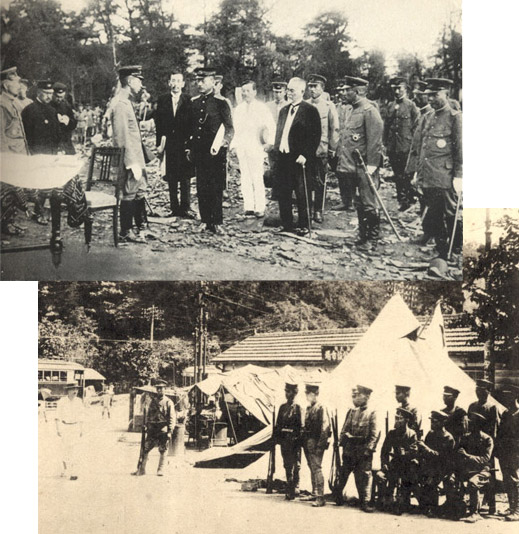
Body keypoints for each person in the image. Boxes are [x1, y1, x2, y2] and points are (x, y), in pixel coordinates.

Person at [406, 78, 462, 260]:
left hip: (445, 176)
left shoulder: (455, 118)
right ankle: (441, 249)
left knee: (450, 214)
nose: (430, 99)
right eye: (428, 95)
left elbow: (460, 149)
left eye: (435, 95)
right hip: (429, 175)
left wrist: (459, 176)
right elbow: (422, 147)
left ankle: (454, 249)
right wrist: (417, 172)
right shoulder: (427, 117)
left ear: (446, 94)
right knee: (434, 214)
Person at [336, 76, 383, 250]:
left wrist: (372, 165)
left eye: (347, 90)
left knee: (369, 203)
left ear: (357, 92)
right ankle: (362, 236)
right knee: (359, 202)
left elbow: (375, 140)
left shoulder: (369, 111)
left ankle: (372, 239)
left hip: (365, 167)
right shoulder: (352, 110)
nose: (344, 92)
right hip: (352, 166)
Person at [186, 67, 234, 234]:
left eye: (203, 81)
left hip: (215, 153)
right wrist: (189, 148)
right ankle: (205, 220)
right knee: (201, 187)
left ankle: (217, 221)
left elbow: (229, 128)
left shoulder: (221, 103)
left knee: (215, 187)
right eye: (198, 81)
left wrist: (225, 142)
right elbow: (190, 129)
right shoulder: (194, 103)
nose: (199, 84)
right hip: (200, 153)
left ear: (213, 82)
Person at [273, 77, 321, 236]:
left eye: (292, 90)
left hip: (299, 159)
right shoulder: (283, 111)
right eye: (288, 90)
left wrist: (306, 154)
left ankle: (304, 225)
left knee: (302, 192)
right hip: (284, 157)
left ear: (302, 91)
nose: (289, 93)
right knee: (283, 191)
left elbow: (315, 136)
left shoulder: (310, 110)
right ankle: (286, 223)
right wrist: (277, 150)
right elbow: (280, 133)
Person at [110, 65, 149, 243]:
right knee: (129, 194)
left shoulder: (127, 101)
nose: (141, 84)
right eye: (138, 80)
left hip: (136, 156)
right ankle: (126, 231)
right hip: (130, 158)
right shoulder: (120, 104)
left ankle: (142, 228)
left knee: (139, 191)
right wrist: (131, 162)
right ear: (130, 81)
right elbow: (121, 136)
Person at [231, 80, 275, 218]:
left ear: (255, 92)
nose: (245, 94)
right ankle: (248, 206)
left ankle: (259, 207)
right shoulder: (239, 109)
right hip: (242, 147)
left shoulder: (262, 108)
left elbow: (271, 126)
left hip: (256, 146)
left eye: (248, 91)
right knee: (245, 177)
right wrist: (234, 145)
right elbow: (236, 130)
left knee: (257, 177)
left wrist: (269, 143)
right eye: (243, 91)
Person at [155, 70, 195, 218]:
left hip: (183, 144)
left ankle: (185, 208)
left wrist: (190, 145)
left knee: (185, 178)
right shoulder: (163, 100)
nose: (175, 84)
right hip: (169, 144)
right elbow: (158, 124)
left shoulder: (189, 100)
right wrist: (159, 145)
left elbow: (192, 124)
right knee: (171, 177)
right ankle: (174, 208)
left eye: (178, 81)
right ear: (169, 83)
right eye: (173, 81)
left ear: (183, 84)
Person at [337, 385, 380, 512]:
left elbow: (374, 435)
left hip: (363, 450)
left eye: (361, 395)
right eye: (358, 394)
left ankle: (365, 502)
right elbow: (345, 429)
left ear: (367, 396)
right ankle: (338, 496)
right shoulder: (352, 412)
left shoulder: (372, 413)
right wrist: (341, 443)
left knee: (364, 477)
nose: (358, 397)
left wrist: (369, 450)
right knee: (343, 474)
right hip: (350, 450)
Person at [0, 66, 32, 236]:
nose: (19, 85)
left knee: (14, 191)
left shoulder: (12, 103)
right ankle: (6, 225)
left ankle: (9, 222)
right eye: (16, 82)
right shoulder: (2, 104)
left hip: (17, 154)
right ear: (6, 85)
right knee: (7, 192)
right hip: (9, 156)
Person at [448, 412, 493, 522]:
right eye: (469, 423)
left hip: (483, 470)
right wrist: (454, 472)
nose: (468, 425)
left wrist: (467, 456)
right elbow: (458, 455)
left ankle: (475, 513)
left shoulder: (487, 439)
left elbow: (484, 459)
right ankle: (458, 507)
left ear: (479, 426)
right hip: (467, 470)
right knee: (451, 480)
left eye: (472, 423)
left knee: (473, 483)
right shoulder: (465, 438)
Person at [306, 74, 339, 223]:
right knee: (306, 180)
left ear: (322, 88)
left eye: (315, 86)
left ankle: (318, 210)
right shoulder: (305, 104)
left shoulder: (328, 106)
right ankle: (306, 207)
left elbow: (335, 129)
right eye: (310, 86)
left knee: (319, 181)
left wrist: (332, 148)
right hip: (305, 150)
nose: (312, 89)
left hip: (321, 149)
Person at [383, 77, 419, 211]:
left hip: (406, 146)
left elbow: (417, 127)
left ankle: (409, 198)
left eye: (400, 89)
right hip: (393, 147)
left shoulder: (411, 106)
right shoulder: (390, 105)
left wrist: (414, 147)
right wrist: (385, 143)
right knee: (397, 174)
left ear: (406, 90)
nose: (397, 91)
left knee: (407, 174)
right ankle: (401, 199)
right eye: (395, 89)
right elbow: (386, 126)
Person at [377, 407, 419, 514]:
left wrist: (405, 453)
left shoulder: (412, 434)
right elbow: (384, 451)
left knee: (407, 482)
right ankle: (386, 501)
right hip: (395, 463)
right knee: (386, 478)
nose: (397, 421)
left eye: (400, 418)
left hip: (407, 464)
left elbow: (414, 452)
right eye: (396, 418)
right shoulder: (392, 433)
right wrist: (384, 463)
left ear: (406, 420)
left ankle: (404, 502)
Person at [416, 410, 456, 517]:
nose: (432, 424)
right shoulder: (431, 434)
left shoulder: (448, 437)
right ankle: (425, 505)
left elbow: (441, 457)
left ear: (442, 423)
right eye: (431, 421)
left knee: (431, 482)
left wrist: (424, 447)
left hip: (443, 468)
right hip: (430, 466)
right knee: (413, 476)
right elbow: (426, 454)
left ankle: (433, 508)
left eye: (435, 422)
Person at [133, 379, 175, 476]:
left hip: (163, 429)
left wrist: (170, 431)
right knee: (146, 448)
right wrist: (146, 425)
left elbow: (172, 417)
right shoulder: (153, 402)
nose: (160, 391)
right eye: (158, 389)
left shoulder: (169, 402)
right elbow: (148, 415)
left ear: (165, 389)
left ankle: (160, 470)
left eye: (162, 389)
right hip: (152, 429)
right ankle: (142, 469)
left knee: (163, 450)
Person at [300, 383, 330, 507]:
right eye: (306, 393)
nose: (307, 396)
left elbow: (325, 429)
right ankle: (314, 493)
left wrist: (320, 446)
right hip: (308, 442)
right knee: (312, 467)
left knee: (317, 469)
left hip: (316, 442)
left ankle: (320, 497)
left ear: (316, 394)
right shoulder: (309, 408)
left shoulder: (321, 408)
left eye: (309, 394)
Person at [273, 381, 303, 500]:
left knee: (296, 465)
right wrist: (276, 439)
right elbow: (278, 425)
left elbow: (301, 427)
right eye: (286, 391)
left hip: (294, 442)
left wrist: (296, 438)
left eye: (290, 392)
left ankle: (295, 487)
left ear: (295, 393)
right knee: (287, 465)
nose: (287, 394)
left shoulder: (298, 408)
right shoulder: (282, 407)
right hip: (285, 441)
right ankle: (290, 487)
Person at [495, 384, 519, 521]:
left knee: (515, 480)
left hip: (515, 453)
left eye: (509, 395)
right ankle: (511, 507)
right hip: (504, 452)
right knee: (507, 480)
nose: (506, 397)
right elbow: (500, 433)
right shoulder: (506, 413)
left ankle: (517, 510)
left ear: (515, 396)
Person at [22, 79, 60, 155]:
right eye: (46, 93)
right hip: (37, 152)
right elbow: (27, 134)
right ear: (38, 93)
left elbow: (56, 132)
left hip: (52, 152)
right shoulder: (29, 110)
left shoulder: (52, 110)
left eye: (51, 93)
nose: (49, 96)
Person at [55, 383, 84, 480]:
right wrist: (58, 429)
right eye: (72, 389)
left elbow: (81, 416)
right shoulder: (62, 401)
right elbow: (57, 416)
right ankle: (65, 469)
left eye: (76, 389)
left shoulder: (79, 401)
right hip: (65, 427)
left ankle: (73, 472)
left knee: (75, 450)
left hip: (75, 427)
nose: (75, 391)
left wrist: (81, 428)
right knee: (65, 449)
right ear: (68, 390)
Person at [333, 80, 354, 211]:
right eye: (340, 91)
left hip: (352, 146)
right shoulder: (337, 107)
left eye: (345, 91)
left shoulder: (355, 107)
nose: (342, 94)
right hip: (339, 146)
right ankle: (345, 201)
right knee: (340, 174)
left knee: (352, 173)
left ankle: (353, 201)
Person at [265, 80, 288, 201]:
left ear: (285, 92)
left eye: (280, 92)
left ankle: (286, 192)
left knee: (285, 166)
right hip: (271, 140)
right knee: (273, 165)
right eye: (275, 92)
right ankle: (275, 191)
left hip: (285, 141)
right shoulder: (268, 106)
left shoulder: (289, 105)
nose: (277, 94)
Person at [50, 82, 77, 155]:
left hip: (65, 142)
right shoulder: (48, 105)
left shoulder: (66, 105)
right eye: (57, 97)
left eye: (61, 97)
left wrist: (68, 121)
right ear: (52, 94)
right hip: (52, 144)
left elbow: (74, 124)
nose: (59, 99)